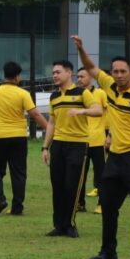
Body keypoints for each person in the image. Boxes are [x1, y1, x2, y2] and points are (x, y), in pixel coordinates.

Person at [73, 35, 130, 259]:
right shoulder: (110, 87)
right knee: (108, 207)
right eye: (115, 71)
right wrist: (81, 48)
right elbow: (91, 67)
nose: (119, 75)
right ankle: (108, 253)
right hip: (114, 158)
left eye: (123, 71)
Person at [41, 60, 103, 238]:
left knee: (71, 185)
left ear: (69, 73)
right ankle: (58, 225)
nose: (54, 75)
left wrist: (82, 111)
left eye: (58, 72)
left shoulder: (82, 93)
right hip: (58, 145)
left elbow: (98, 110)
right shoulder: (54, 97)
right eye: (53, 72)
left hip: (78, 144)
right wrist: (45, 147)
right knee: (57, 186)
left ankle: (70, 224)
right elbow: (51, 123)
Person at [0, 61, 48, 216]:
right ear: (17, 76)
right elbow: (35, 114)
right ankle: (17, 207)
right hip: (19, 137)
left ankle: (0, 199)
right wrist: (49, 129)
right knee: (18, 172)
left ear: (4, 75)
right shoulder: (23, 93)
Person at [77, 67, 108, 214]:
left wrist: (110, 134)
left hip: (97, 140)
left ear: (91, 77)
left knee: (101, 174)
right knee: (80, 175)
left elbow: (109, 114)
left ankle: (102, 204)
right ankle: (79, 203)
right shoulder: (76, 94)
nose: (79, 79)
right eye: (78, 76)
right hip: (80, 141)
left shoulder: (100, 93)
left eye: (82, 76)